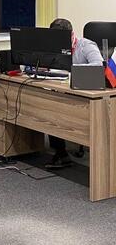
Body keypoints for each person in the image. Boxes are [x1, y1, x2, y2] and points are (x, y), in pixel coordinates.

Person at [46, 18, 103, 169]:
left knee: (56, 109)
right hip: (63, 91)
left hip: (86, 94)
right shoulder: (54, 45)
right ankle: (60, 153)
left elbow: (98, 66)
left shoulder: (86, 45)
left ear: (72, 35)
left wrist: (71, 71)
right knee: (49, 106)